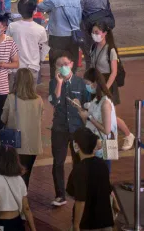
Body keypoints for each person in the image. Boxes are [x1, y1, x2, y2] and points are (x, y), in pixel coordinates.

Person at [48, 52, 90, 206]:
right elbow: (55, 102)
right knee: (58, 162)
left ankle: (77, 190)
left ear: (72, 64)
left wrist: (82, 107)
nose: (63, 67)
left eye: (66, 64)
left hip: (77, 128)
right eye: (60, 65)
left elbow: (88, 104)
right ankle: (60, 195)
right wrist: (59, 83)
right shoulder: (53, 82)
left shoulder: (81, 83)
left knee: (78, 161)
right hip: (59, 128)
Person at [0, 68, 44, 186]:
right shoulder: (39, 100)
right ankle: (24, 199)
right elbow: (41, 118)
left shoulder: (11, 98)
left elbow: (3, 118)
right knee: (26, 174)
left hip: (16, 143)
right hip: (33, 144)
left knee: (13, 175)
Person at [38, 0, 84, 81]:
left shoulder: (52, 1)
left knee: (56, 65)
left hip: (57, 38)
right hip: (74, 37)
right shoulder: (76, 0)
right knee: (71, 64)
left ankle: (56, 88)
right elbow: (79, 18)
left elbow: (40, 7)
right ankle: (71, 85)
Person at [67, 128, 114, 231]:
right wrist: (116, 206)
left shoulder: (79, 170)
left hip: (87, 223)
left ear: (76, 145)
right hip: (105, 221)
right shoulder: (102, 164)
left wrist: (76, 225)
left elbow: (80, 201)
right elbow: (109, 190)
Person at [0, 145, 36, 231]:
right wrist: (33, 229)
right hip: (17, 221)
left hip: (1, 222)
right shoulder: (19, 179)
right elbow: (26, 208)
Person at [7, 0, 48, 85]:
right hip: (32, 69)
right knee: (31, 96)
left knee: (14, 97)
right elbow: (43, 50)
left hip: (15, 69)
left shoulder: (12, 26)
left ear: (19, 11)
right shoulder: (40, 29)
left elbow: (6, 47)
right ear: (35, 11)